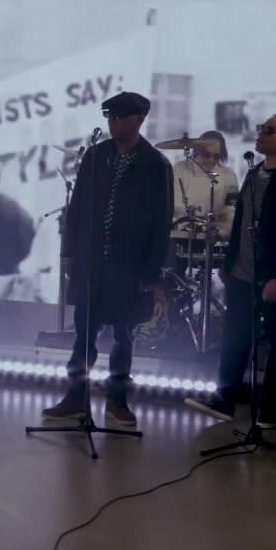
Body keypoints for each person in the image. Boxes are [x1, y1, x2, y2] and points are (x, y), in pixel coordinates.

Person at [41, 91, 173, 426]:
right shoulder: (96, 155)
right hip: (91, 261)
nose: (113, 123)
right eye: (110, 117)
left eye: (119, 117)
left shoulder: (155, 164)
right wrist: (70, 251)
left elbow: (161, 222)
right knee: (84, 333)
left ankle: (118, 400)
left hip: (129, 265)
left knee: (124, 335)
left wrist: (151, 272)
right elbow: (78, 206)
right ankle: (76, 396)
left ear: (138, 120)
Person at [186, 114, 276, 429]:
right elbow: (240, 223)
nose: (261, 134)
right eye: (261, 128)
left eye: (270, 130)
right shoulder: (253, 174)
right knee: (235, 338)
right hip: (243, 273)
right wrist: (229, 263)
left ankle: (272, 409)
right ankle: (224, 400)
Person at [171, 130, 239, 237]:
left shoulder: (229, 176)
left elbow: (231, 213)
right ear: (197, 150)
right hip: (183, 232)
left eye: (216, 156)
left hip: (216, 234)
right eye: (207, 155)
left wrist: (224, 231)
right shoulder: (180, 169)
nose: (211, 160)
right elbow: (176, 207)